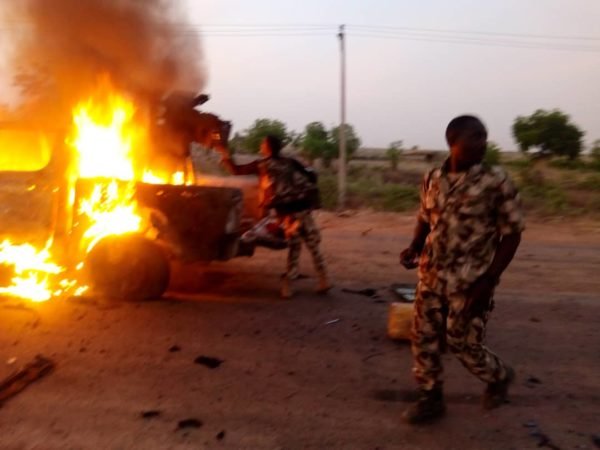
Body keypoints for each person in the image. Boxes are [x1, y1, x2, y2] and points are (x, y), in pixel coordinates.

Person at [399, 115, 524, 424]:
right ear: (453, 142)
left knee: (462, 342)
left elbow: (512, 233)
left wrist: (489, 279)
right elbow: (425, 217)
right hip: (431, 274)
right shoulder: (431, 178)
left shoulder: (496, 181)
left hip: (472, 280)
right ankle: (430, 398)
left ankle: (499, 375)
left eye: (485, 136)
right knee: (423, 338)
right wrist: (415, 245)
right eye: (476, 136)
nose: (484, 143)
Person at [218, 135, 331, 299]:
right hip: (303, 209)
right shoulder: (291, 162)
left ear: (268, 147)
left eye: (263, 143)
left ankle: (288, 286)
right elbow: (311, 175)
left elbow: (237, 170)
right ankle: (324, 279)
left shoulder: (263, 165)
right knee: (313, 245)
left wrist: (225, 157)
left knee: (294, 247)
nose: (260, 145)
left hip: (287, 213)